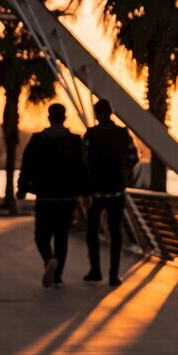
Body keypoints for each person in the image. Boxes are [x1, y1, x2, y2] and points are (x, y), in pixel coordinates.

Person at [17, 103, 89, 288]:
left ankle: (49, 260)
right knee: (61, 236)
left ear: (49, 117)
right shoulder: (74, 141)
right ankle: (57, 275)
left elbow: (27, 165)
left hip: (45, 196)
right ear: (64, 118)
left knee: (41, 235)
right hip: (67, 197)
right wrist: (85, 192)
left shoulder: (38, 139)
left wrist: (22, 188)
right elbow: (82, 168)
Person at [83, 98, 138, 287]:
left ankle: (95, 271)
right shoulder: (123, 134)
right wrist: (123, 173)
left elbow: (83, 162)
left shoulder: (90, 135)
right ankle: (114, 275)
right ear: (112, 113)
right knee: (116, 232)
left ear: (97, 114)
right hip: (116, 190)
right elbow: (133, 157)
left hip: (96, 191)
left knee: (92, 231)